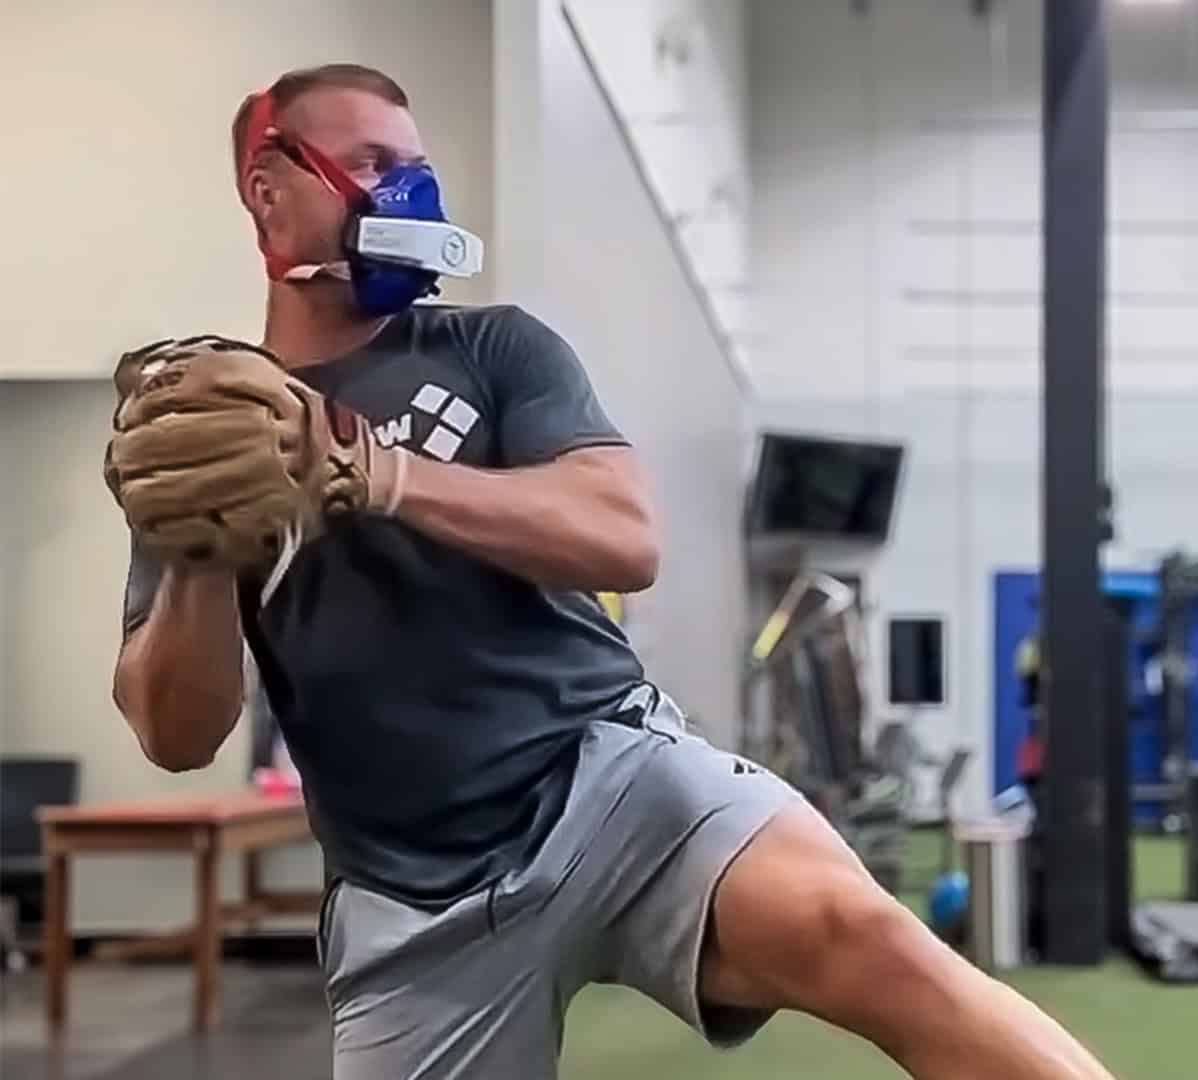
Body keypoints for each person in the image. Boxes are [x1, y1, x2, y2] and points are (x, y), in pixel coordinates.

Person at [110, 63, 1116, 1080]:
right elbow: (175, 734)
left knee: (873, 942)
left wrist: (381, 473)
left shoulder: (495, 350)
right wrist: (200, 553)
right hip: (413, 901)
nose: (406, 193)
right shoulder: (211, 432)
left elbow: (623, 532)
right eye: (370, 164)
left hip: (615, 781)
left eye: (415, 167)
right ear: (270, 188)